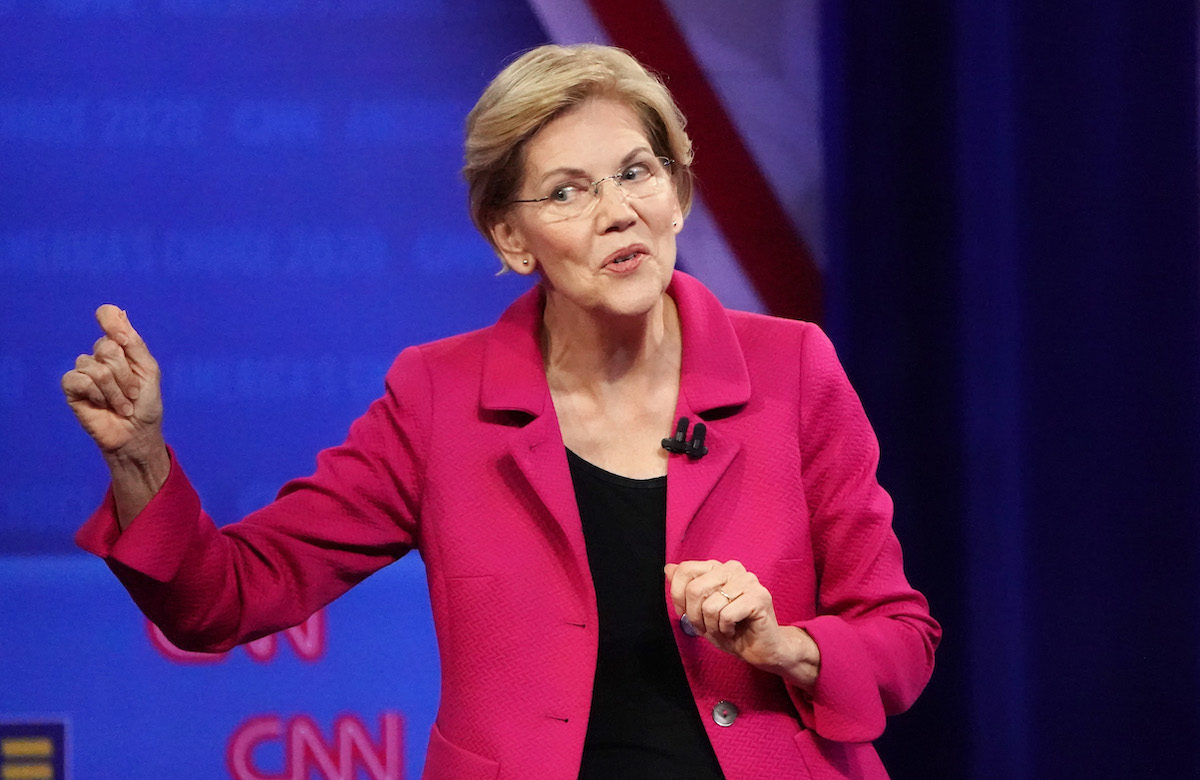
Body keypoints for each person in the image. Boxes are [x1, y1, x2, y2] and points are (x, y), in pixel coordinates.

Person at [62, 44, 940, 779]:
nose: (617, 212)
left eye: (638, 172)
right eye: (567, 192)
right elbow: (227, 599)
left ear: (677, 191)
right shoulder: (440, 398)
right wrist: (141, 462)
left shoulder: (791, 368)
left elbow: (900, 638)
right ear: (510, 239)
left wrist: (790, 648)